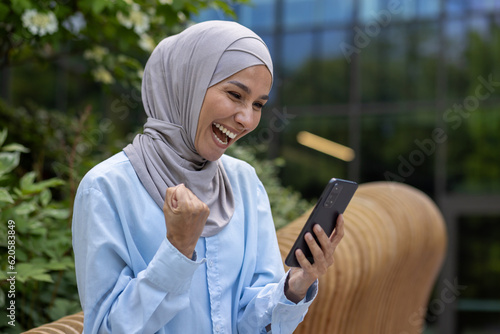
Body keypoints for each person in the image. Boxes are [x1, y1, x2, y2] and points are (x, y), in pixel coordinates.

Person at [72, 20, 344, 334]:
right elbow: (107, 329)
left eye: (257, 104)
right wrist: (178, 249)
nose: (246, 119)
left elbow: (246, 321)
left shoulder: (243, 182)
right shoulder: (107, 187)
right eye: (235, 94)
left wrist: (295, 286)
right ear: (188, 83)